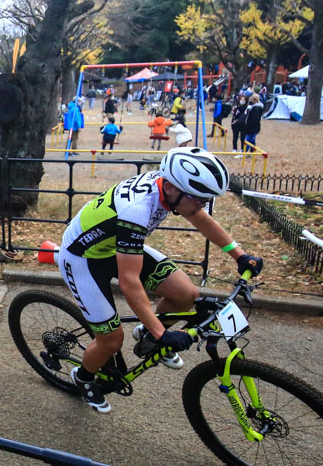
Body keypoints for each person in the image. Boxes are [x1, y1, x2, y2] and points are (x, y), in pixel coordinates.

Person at [56, 148, 263, 413]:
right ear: (173, 189)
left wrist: (240, 255)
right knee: (111, 340)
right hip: (82, 259)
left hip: (114, 246)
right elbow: (130, 283)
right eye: (199, 198)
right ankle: (82, 377)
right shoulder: (137, 209)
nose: (203, 204)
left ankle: (147, 337)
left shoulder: (168, 188)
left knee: (185, 294)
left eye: (207, 198)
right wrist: (162, 332)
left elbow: (199, 217)